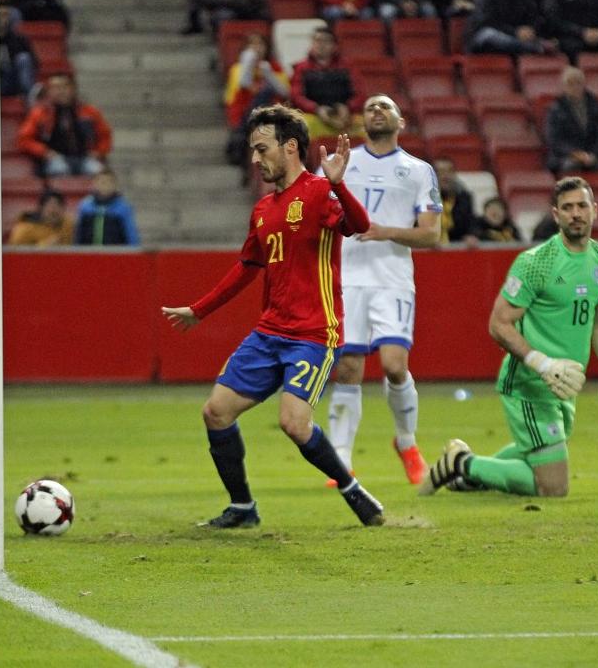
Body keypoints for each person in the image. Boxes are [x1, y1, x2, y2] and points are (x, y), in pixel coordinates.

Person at [161, 106, 384, 528]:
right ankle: (243, 508)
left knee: (293, 423)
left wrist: (339, 186)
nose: (255, 159)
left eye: (262, 149)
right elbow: (247, 267)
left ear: (290, 147)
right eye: (253, 150)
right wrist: (199, 310)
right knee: (216, 412)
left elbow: (358, 225)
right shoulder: (264, 208)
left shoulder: (319, 192)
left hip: (314, 333)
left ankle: (351, 488)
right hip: (269, 332)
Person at [419, 176, 598, 497]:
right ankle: (461, 463)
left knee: (539, 453)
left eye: (582, 206)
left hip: (566, 383)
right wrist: (543, 364)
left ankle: (470, 477)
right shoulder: (536, 263)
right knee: (553, 487)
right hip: (530, 384)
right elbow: (499, 324)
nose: (576, 213)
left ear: (595, 210)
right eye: (567, 208)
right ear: (556, 215)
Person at [324, 95, 441, 486]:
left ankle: (406, 442)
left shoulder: (419, 170)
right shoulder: (339, 162)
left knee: (394, 365)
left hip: (392, 279)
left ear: (401, 122)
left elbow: (431, 234)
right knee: (348, 367)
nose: (377, 111)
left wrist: (384, 231)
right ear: (362, 120)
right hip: (346, 277)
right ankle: (341, 459)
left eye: (385, 107)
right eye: (371, 106)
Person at [17, 73, 114, 177]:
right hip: (55, 159)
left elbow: (105, 136)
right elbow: (24, 139)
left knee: (100, 172)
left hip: (85, 157)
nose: (61, 91)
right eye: (55, 87)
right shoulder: (40, 113)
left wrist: (98, 152)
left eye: (65, 86)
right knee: (59, 170)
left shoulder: (89, 111)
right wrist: (45, 152)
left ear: (73, 89)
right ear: (49, 92)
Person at [545, 67, 598, 174]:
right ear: (563, 86)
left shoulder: (596, 106)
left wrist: (594, 154)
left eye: (578, 82)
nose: (575, 86)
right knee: (571, 166)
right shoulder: (555, 109)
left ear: (584, 84)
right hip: (564, 156)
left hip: (593, 154)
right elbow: (554, 140)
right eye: (570, 83)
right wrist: (576, 154)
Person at [74, 170, 140, 246]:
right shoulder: (85, 206)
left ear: (115, 185)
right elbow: (78, 235)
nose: (105, 186)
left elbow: (131, 235)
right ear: (95, 183)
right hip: (89, 252)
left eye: (109, 182)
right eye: (102, 182)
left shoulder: (123, 207)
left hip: (115, 252)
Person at [7, 190, 73, 246]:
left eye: (59, 205)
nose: (55, 210)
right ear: (41, 208)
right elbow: (14, 252)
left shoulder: (68, 225)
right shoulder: (24, 229)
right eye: (51, 206)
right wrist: (44, 247)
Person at [434, 158, 474, 243]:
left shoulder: (464, 197)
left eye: (449, 171)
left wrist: (471, 235)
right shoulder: (424, 198)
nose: (445, 176)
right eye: (440, 172)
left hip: (457, 246)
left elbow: (470, 224)